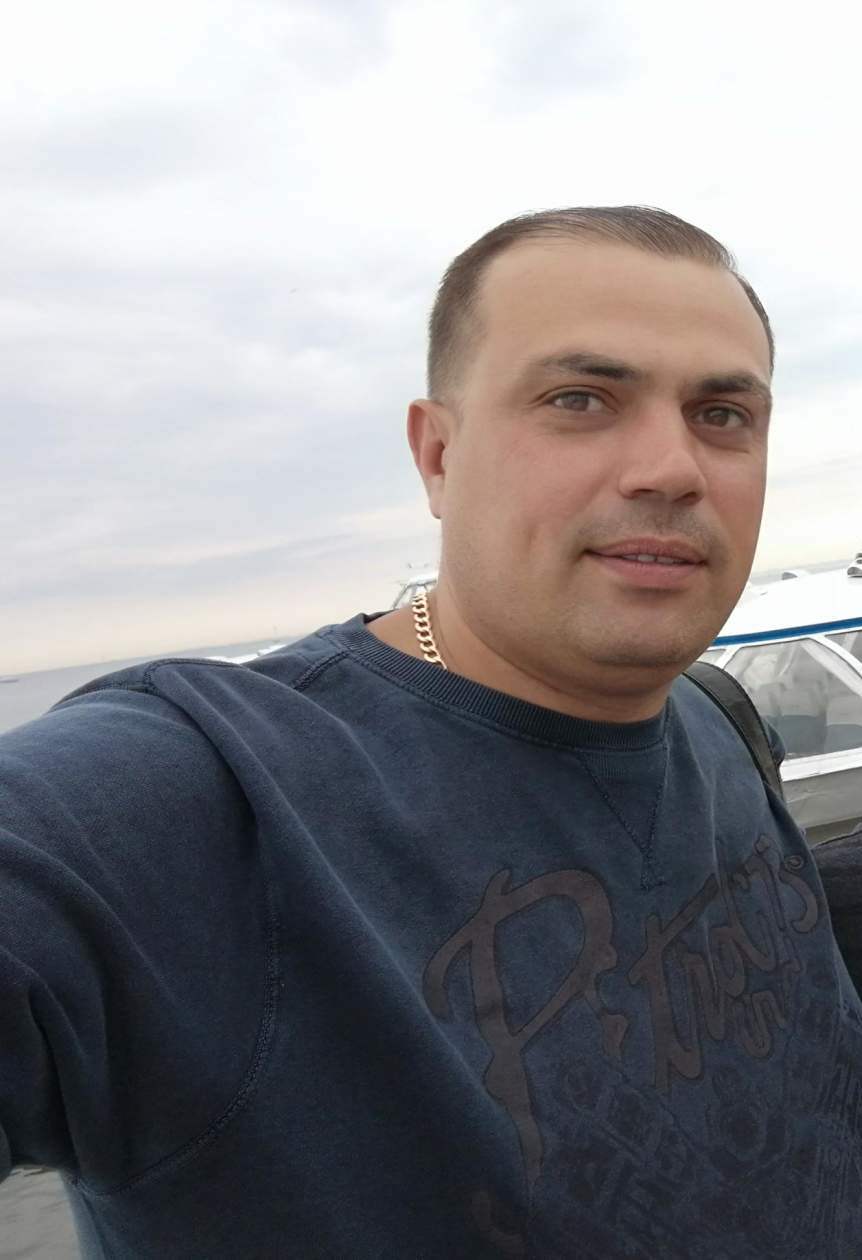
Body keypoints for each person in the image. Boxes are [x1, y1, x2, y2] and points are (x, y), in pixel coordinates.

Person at [2, 207, 860, 1260]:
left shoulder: (714, 716)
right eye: (580, 399)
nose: (672, 467)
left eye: (722, 413)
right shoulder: (196, 797)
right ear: (440, 456)